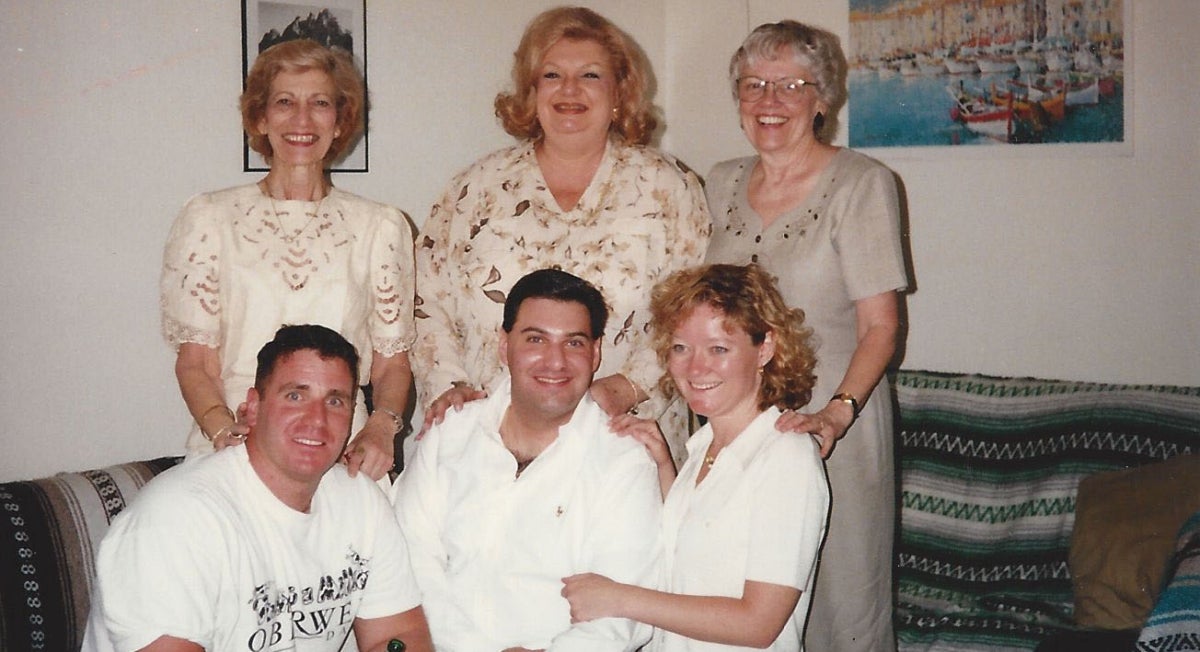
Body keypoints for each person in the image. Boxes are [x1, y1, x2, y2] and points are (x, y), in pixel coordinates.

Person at [412, 6, 710, 467]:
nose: (569, 90)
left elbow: (693, 314)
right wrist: (450, 388)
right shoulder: (475, 187)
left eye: (590, 75)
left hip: (618, 438)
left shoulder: (669, 188)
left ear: (618, 93)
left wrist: (626, 388)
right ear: (531, 93)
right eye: (552, 75)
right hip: (486, 437)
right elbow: (426, 297)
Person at [702, 21, 909, 652]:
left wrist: (836, 415)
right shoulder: (718, 182)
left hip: (829, 428)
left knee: (839, 604)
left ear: (823, 99)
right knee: (732, 596)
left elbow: (881, 326)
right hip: (733, 429)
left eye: (792, 85)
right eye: (754, 85)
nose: (770, 101)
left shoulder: (863, 184)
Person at [82, 325, 433, 652]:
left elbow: (396, 634)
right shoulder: (174, 522)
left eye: (335, 401)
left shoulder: (362, 502)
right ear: (252, 407)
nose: (317, 419)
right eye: (295, 396)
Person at [161, 38, 413, 481]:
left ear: (340, 121)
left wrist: (381, 427)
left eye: (320, 103)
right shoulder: (209, 218)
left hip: (340, 450)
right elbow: (196, 361)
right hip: (234, 442)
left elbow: (392, 363)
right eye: (284, 102)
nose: (302, 119)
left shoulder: (380, 226)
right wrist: (223, 429)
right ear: (260, 118)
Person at [561, 263, 830, 650]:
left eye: (718, 349)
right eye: (681, 348)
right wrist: (664, 464)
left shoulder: (786, 457)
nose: (695, 367)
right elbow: (696, 542)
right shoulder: (706, 445)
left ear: (765, 349)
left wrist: (619, 597)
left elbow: (758, 623)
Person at [393, 269, 662, 650]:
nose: (555, 362)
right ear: (504, 346)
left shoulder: (624, 461)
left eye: (574, 343)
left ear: (596, 353)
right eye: (536, 339)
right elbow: (412, 560)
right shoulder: (449, 434)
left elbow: (625, 612)